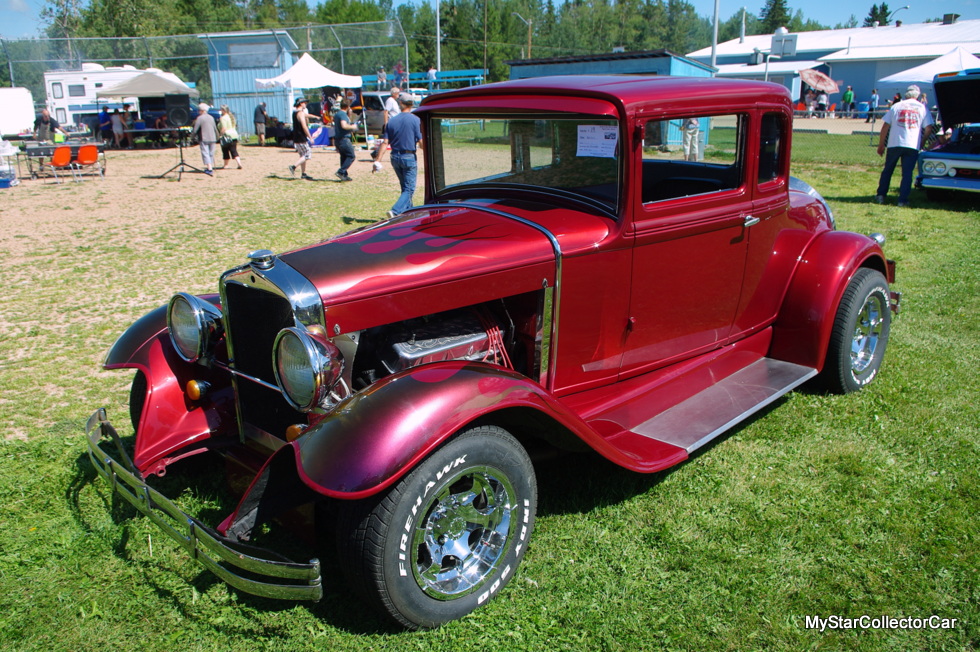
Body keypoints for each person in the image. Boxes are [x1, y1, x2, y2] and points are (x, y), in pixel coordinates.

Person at [875, 85, 934, 207]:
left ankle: (881, 195)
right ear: (917, 95)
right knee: (907, 173)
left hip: (894, 143)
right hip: (912, 144)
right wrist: (922, 142)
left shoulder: (896, 106)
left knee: (888, 170)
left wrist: (881, 144)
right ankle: (902, 200)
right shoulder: (922, 108)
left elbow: (885, 126)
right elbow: (928, 128)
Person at [385, 94, 422, 217]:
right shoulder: (415, 120)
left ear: (400, 103)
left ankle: (408, 212)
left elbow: (386, 141)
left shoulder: (392, 121)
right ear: (411, 104)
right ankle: (396, 211)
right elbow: (420, 141)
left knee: (405, 187)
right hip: (409, 156)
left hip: (395, 156)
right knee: (409, 189)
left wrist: (377, 160)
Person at [372, 86, 402, 164]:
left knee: (388, 140)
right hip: (392, 123)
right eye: (398, 93)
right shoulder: (390, 101)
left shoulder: (394, 101)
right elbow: (386, 111)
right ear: (394, 93)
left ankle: (375, 153)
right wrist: (386, 123)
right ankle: (376, 154)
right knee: (387, 140)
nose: (399, 94)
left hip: (396, 122)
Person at [332, 98, 358, 181]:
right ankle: (341, 171)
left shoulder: (337, 114)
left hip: (338, 139)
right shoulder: (343, 115)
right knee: (351, 156)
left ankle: (344, 175)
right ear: (347, 106)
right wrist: (353, 127)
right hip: (344, 139)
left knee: (344, 157)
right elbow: (344, 125)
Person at [288, 97, 314, 180]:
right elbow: (304, 126)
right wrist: (310, 137)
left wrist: (315, 116)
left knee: (302, 156)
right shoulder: (300, 113)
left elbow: (305, 115)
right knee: (307, 154)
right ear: (301, 103)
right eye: (305, 103)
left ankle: (303, 173)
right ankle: (293, 167)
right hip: (301, 137)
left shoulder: (295, 113)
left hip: (296, 137)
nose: (306, 104)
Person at [191, 102, 218, 177]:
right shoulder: (211, 117)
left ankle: (209, 169)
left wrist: (192, 137)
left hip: (204, 138)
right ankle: (211, 166)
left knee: (205, 153)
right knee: (211, 153)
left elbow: (195, 129)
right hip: (213, 138)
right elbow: (215, 128)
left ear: (201, 111)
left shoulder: (199, 118)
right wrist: (217, 137)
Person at [218, 105, 243, 169]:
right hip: (234, 135)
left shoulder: (223, 118)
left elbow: (224, 128)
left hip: (227, 135)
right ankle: (239, 163)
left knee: (225, 150)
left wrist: (220, 135)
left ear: (223, 110)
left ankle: (226, 165)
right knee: (234, 150)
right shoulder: (231, 117)